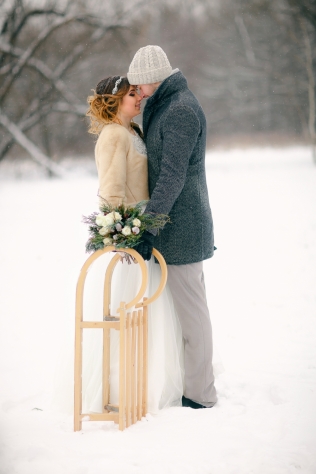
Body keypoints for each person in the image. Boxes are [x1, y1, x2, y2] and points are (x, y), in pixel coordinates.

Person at [81, 75, 184, 414]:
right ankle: (117, 388)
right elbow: (111, 190)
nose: (139, 98)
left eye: (139, 92)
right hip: (130, 238)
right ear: (115, 101)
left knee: (147, 314)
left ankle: (147, 383)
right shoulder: (112, 135)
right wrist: (122, 234)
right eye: (132, 94)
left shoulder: (132, 132)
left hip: (144, 232)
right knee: (126, 314)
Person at [127, 45, 217, 408]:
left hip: (183, 225)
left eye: (139, 85)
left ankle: (201, 394)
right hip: (172, 223)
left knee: (193, 315)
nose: (138, 92)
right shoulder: (166, 103)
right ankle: (190, 384)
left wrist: (149, 227)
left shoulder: (179, 109)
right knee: (183, 314)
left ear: (153, 77)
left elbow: (171, 177)